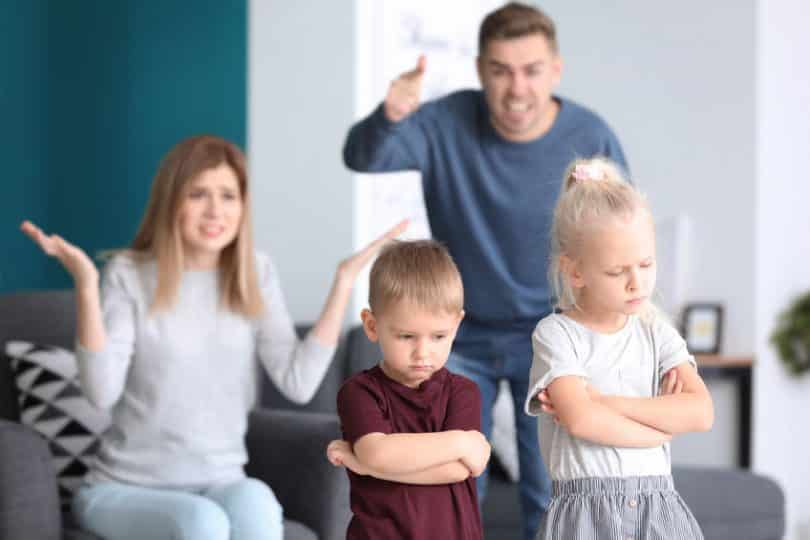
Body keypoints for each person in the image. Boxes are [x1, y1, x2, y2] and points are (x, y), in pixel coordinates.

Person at [20, 134, 406, 540]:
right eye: (198, 194)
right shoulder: (128, 274)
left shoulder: (256, 273)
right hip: (123, 489)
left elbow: (298, 382)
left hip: (220, 480)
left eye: (228, 195)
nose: (215, 211)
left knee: (256, 503)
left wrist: (344, 282)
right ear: (172, 201)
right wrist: (85, 285)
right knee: (201, 523)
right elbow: (101, 392)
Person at [342, 2, 627, 537]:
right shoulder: (445, 121)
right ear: (480, 71)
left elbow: (619, 234)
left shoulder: (590, 134)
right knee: (441, 482)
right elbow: (363, 156)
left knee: (551, 490)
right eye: (500, 70)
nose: (516, 88)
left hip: (551, 336)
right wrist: (391, 115)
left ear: (556, 69)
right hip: (454, 336)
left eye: (531, 70)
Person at [524, 157, 713, 539]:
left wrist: (605, 401)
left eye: (646, 264)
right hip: (583, 515)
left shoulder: (656, 332)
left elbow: (700, 413)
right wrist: (657, 429)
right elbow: (580, 420)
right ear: (575, 272)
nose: (636, 283)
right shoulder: (556, 335)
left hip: (660, 507)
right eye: (617, 271)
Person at [326, 239, 490, 540]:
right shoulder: (358, 393)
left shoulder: (463, 392)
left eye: (439, 336)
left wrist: (365, 467)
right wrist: (461, 442)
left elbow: (457, 471)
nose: (422, 353)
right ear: (372, 326)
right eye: (406, 336)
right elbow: (377, 453)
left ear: (457, 326)